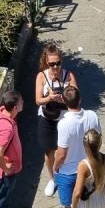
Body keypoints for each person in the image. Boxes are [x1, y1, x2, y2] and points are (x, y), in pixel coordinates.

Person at [52, 84, 100, 208]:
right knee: (87, 206)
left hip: (68, 173)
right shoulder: (93, 116)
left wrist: (55, 169)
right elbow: (97, 141)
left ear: (64, 102)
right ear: (80, 99)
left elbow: (61, 154)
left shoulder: (64, 124)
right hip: (89, 168)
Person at [34, 43, 76, 196]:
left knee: (64, 151)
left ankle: (65, 177)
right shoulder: (42, 76)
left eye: (58, 63)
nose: (55, 67)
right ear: (46, 62)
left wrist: (62, 100)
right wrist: (49, 98)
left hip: (64, 120)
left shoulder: (69, 76)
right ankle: (52, 179)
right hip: (47, 119)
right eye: (51, 64)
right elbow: (38, 100)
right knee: (49, 152)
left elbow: (76, 99)